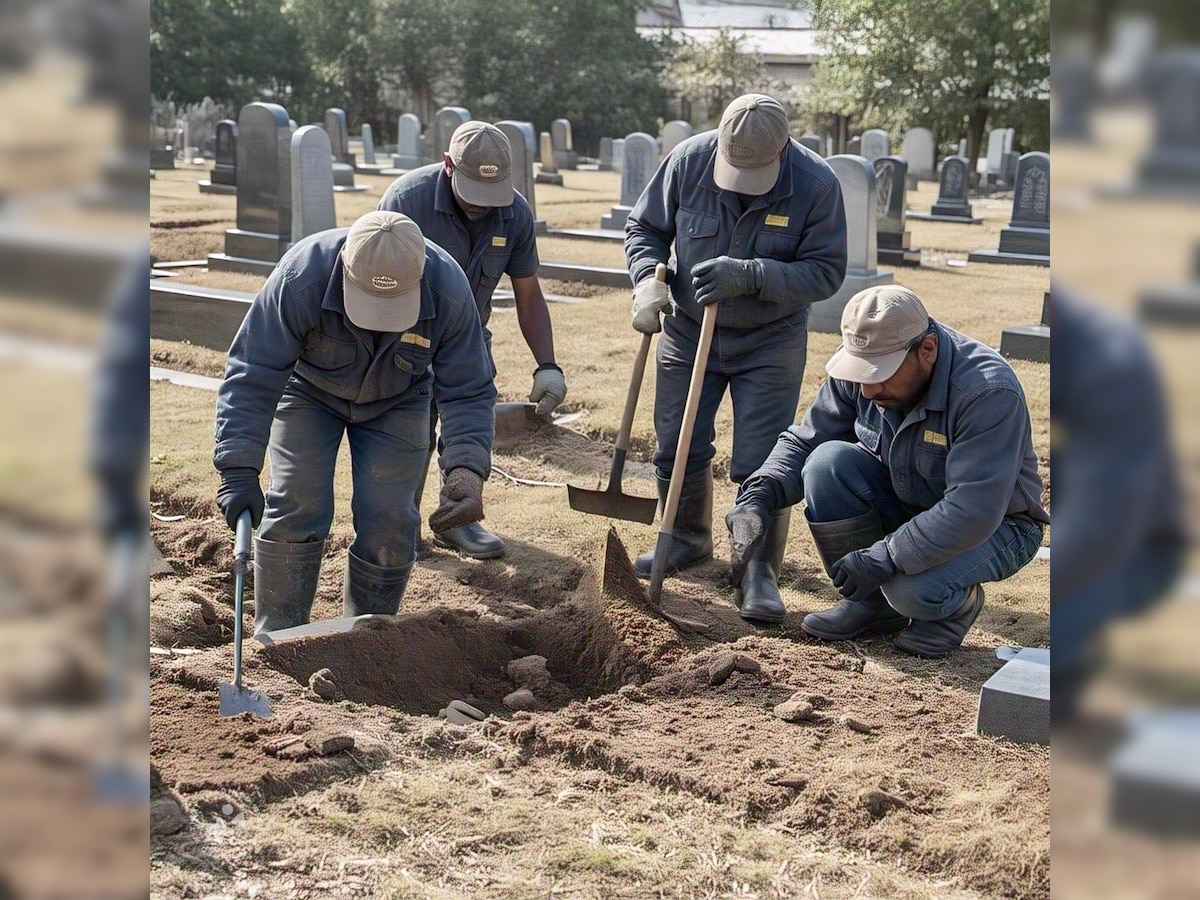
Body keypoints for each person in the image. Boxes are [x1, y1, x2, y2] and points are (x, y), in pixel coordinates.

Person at [213, 211, 497, 634]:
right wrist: (237, 468)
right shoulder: (301, 276)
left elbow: (468, 389)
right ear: (345, 269)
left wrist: (465, 469)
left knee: (391, 518)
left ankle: (368, 639)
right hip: (308, 391)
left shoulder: (449, 292)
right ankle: (278, 635)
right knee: (297, 500)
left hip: (400, 399)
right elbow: (253, 371)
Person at [726, 286, 1049, 655]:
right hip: (909, 502)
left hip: (997, 526)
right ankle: (871, 606)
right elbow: (807, 441)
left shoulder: (987, 392)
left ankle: (952, 608)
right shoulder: (864, 364)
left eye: (881, 373)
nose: (867, 390)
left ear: (926, 350)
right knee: (827, 463)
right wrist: (758, 496)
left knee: (909, 591)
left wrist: (884, 557)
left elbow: (972, 509)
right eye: (861, 372)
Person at [624, 93, 847, 623]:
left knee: (761, 461)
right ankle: (683, 537)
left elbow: (827, 271)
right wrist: (646, 280)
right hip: (688, 325)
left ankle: (756, 568)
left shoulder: (816, 185)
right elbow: (645, 229)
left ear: (783, 149)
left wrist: (754, 275)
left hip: (769, 339)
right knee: (676, 442)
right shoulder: (688, 162)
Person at [379, 120, 565, 559]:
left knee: (471, 418)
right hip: (404, 332)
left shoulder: (514, 213)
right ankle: (395, 523)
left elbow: (528, 291)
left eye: (493, 192)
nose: (483, 205)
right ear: (448, 166)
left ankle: (458, 515)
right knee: (410, 426)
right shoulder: (407, 200)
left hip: (467, 335)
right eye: (473, 192)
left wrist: (548, 364)